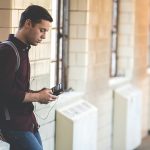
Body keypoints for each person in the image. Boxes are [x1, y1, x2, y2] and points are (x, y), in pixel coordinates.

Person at [0, 5, 57, 150]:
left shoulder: (23, 50)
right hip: (13, 124)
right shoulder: (8, 51)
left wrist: (40, 93)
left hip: (27, 121)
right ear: (28, 24)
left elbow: (17, 88)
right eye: (42, 30)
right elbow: (5, 93)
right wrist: (37, 97)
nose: (44, 36)